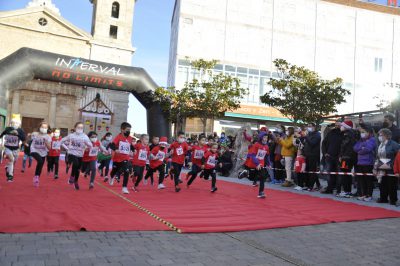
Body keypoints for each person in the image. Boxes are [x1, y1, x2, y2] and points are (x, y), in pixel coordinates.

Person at [60, 122, 93, 190]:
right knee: (75, 163)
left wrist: (87, 146)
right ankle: (72, 176)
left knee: (78, 168)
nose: (80, 129)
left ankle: (75, 181)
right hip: (71, 153)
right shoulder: (71, 135)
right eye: (78, 127)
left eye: (81, 128)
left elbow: (90, 145)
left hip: (80, 154)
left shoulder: (85, 136)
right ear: (75, 128)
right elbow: (62, 141)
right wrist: (67, 148)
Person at [241, 131, 270, 198]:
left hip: (261, 165)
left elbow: (266, 156)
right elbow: (253, 155)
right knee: (252, 178)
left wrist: (268, 164)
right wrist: (257, 163)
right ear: (261, 138)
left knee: (262, 177)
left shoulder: (266, 146)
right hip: (254, 164)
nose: (266, 139)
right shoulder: (256, 145)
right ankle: (245, 174)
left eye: (267, 138)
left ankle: (261, 192)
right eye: (264, 137)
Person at [108, 122, 134, 194]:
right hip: (117, 158)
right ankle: (111, 177)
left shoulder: (130, 138)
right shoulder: (118, 137)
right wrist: (115, 149)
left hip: (126, 158)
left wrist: (133, 151)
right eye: (127, 130)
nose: (128, 131)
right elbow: (112, 145)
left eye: (129, 130)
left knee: (126, 171)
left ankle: (124, 187)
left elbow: (131, 146)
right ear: (122, 129)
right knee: (114, 171)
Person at [375, 128, 399, 205]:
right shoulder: (380, 145)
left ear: (387, 136)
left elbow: (397, 155)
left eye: (381, 135)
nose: (380, 136)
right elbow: (378, 156)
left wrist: (394, 164)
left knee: (391, 184)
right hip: (381, 166)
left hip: (391, 166)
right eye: (379, 135)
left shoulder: (394, 144)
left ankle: (393, 199)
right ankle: (383, 198)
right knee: (382, 183)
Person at [0, 114, 26, 182]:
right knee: (11, 160)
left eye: (16, 123)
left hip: (16, 149)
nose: (15, 124)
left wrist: (17, 134)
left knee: (13, 161)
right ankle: (10, 177)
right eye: (13, 122)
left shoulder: (20, 130)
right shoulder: (8, 128)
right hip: (8, 147)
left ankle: (7, 168)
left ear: (19, 123)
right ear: (11, 123)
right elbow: (3, 134)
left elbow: (23, 138)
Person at [353, 126, 376, 201]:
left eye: (363, 132)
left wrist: (361, 150)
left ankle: (369, 195)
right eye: (361, 132)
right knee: (361, 180)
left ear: (368, 133)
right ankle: (363, 194)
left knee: (368, 180)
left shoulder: (372, 139)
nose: (362, 134)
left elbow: (368, 149)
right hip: (360, 162)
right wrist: (361, 148)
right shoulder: (360, 140)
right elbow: (355, 148)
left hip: (368, 163)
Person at [321, 120, 344, 194]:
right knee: (329, 174)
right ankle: (330, 189)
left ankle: (338, 190)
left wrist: (341, 155)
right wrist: (325, 153)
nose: (337, 126)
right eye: (336, 125)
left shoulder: (344, 134)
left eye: (339, 125)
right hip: (329, 156)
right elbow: (324, 143)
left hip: (339, 158)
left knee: (339, 174)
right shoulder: (331, 132)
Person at [336, 121, 357, 198]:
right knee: (346, 174)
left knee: (345, 173)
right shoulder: (352, 133)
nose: (341, 127)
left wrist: (341, 155)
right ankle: (347, 191)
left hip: (346, 158)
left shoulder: (348, 135)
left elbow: (344, 146)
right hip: (348, 157)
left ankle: (346, 191)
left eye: (342, 125)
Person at [30, 122, 52, 187]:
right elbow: (30, 139)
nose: (43, 129)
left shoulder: (48, 137)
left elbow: (49, 148)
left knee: (40, 165)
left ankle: (36, 178)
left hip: (43, 152)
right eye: (42, 127)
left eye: (45, 128)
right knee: (40, 161)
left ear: (47, 129)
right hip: (34, 150)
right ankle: (36, 177)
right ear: (39, 127)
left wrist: (46, 142)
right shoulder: (34, 134)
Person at [303, 123, 321, 191]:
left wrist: (306, 137)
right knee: (307, 170)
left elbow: (312, 143)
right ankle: (316, 184)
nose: (308, 128)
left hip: (313, 155)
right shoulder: (309, 134)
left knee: (312, 170)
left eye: (310, 126)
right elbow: (306, 143)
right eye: (308, 126)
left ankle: (311, 186)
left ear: (314, 127)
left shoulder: (317, 135)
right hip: (307, 154)